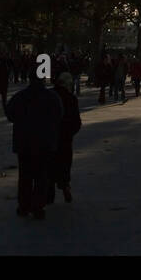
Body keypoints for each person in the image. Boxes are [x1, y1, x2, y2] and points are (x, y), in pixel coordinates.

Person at [5, 67, 63, 219]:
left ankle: (24, 206)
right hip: (45, 143)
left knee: (25, 176)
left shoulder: (20, 97)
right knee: (41, 176)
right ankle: (38, 206)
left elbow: (9, 114)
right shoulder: (52, 97)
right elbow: (59, 116)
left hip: (24, 142)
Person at [50, 71, 82, 204]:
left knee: (50, 165)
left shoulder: (50, 96)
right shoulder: (71, 98)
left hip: (50, 137)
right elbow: (76, 121)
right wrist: (70, 132)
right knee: (64, 164)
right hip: (65, 137)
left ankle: (49, 192)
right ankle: (65, 186)